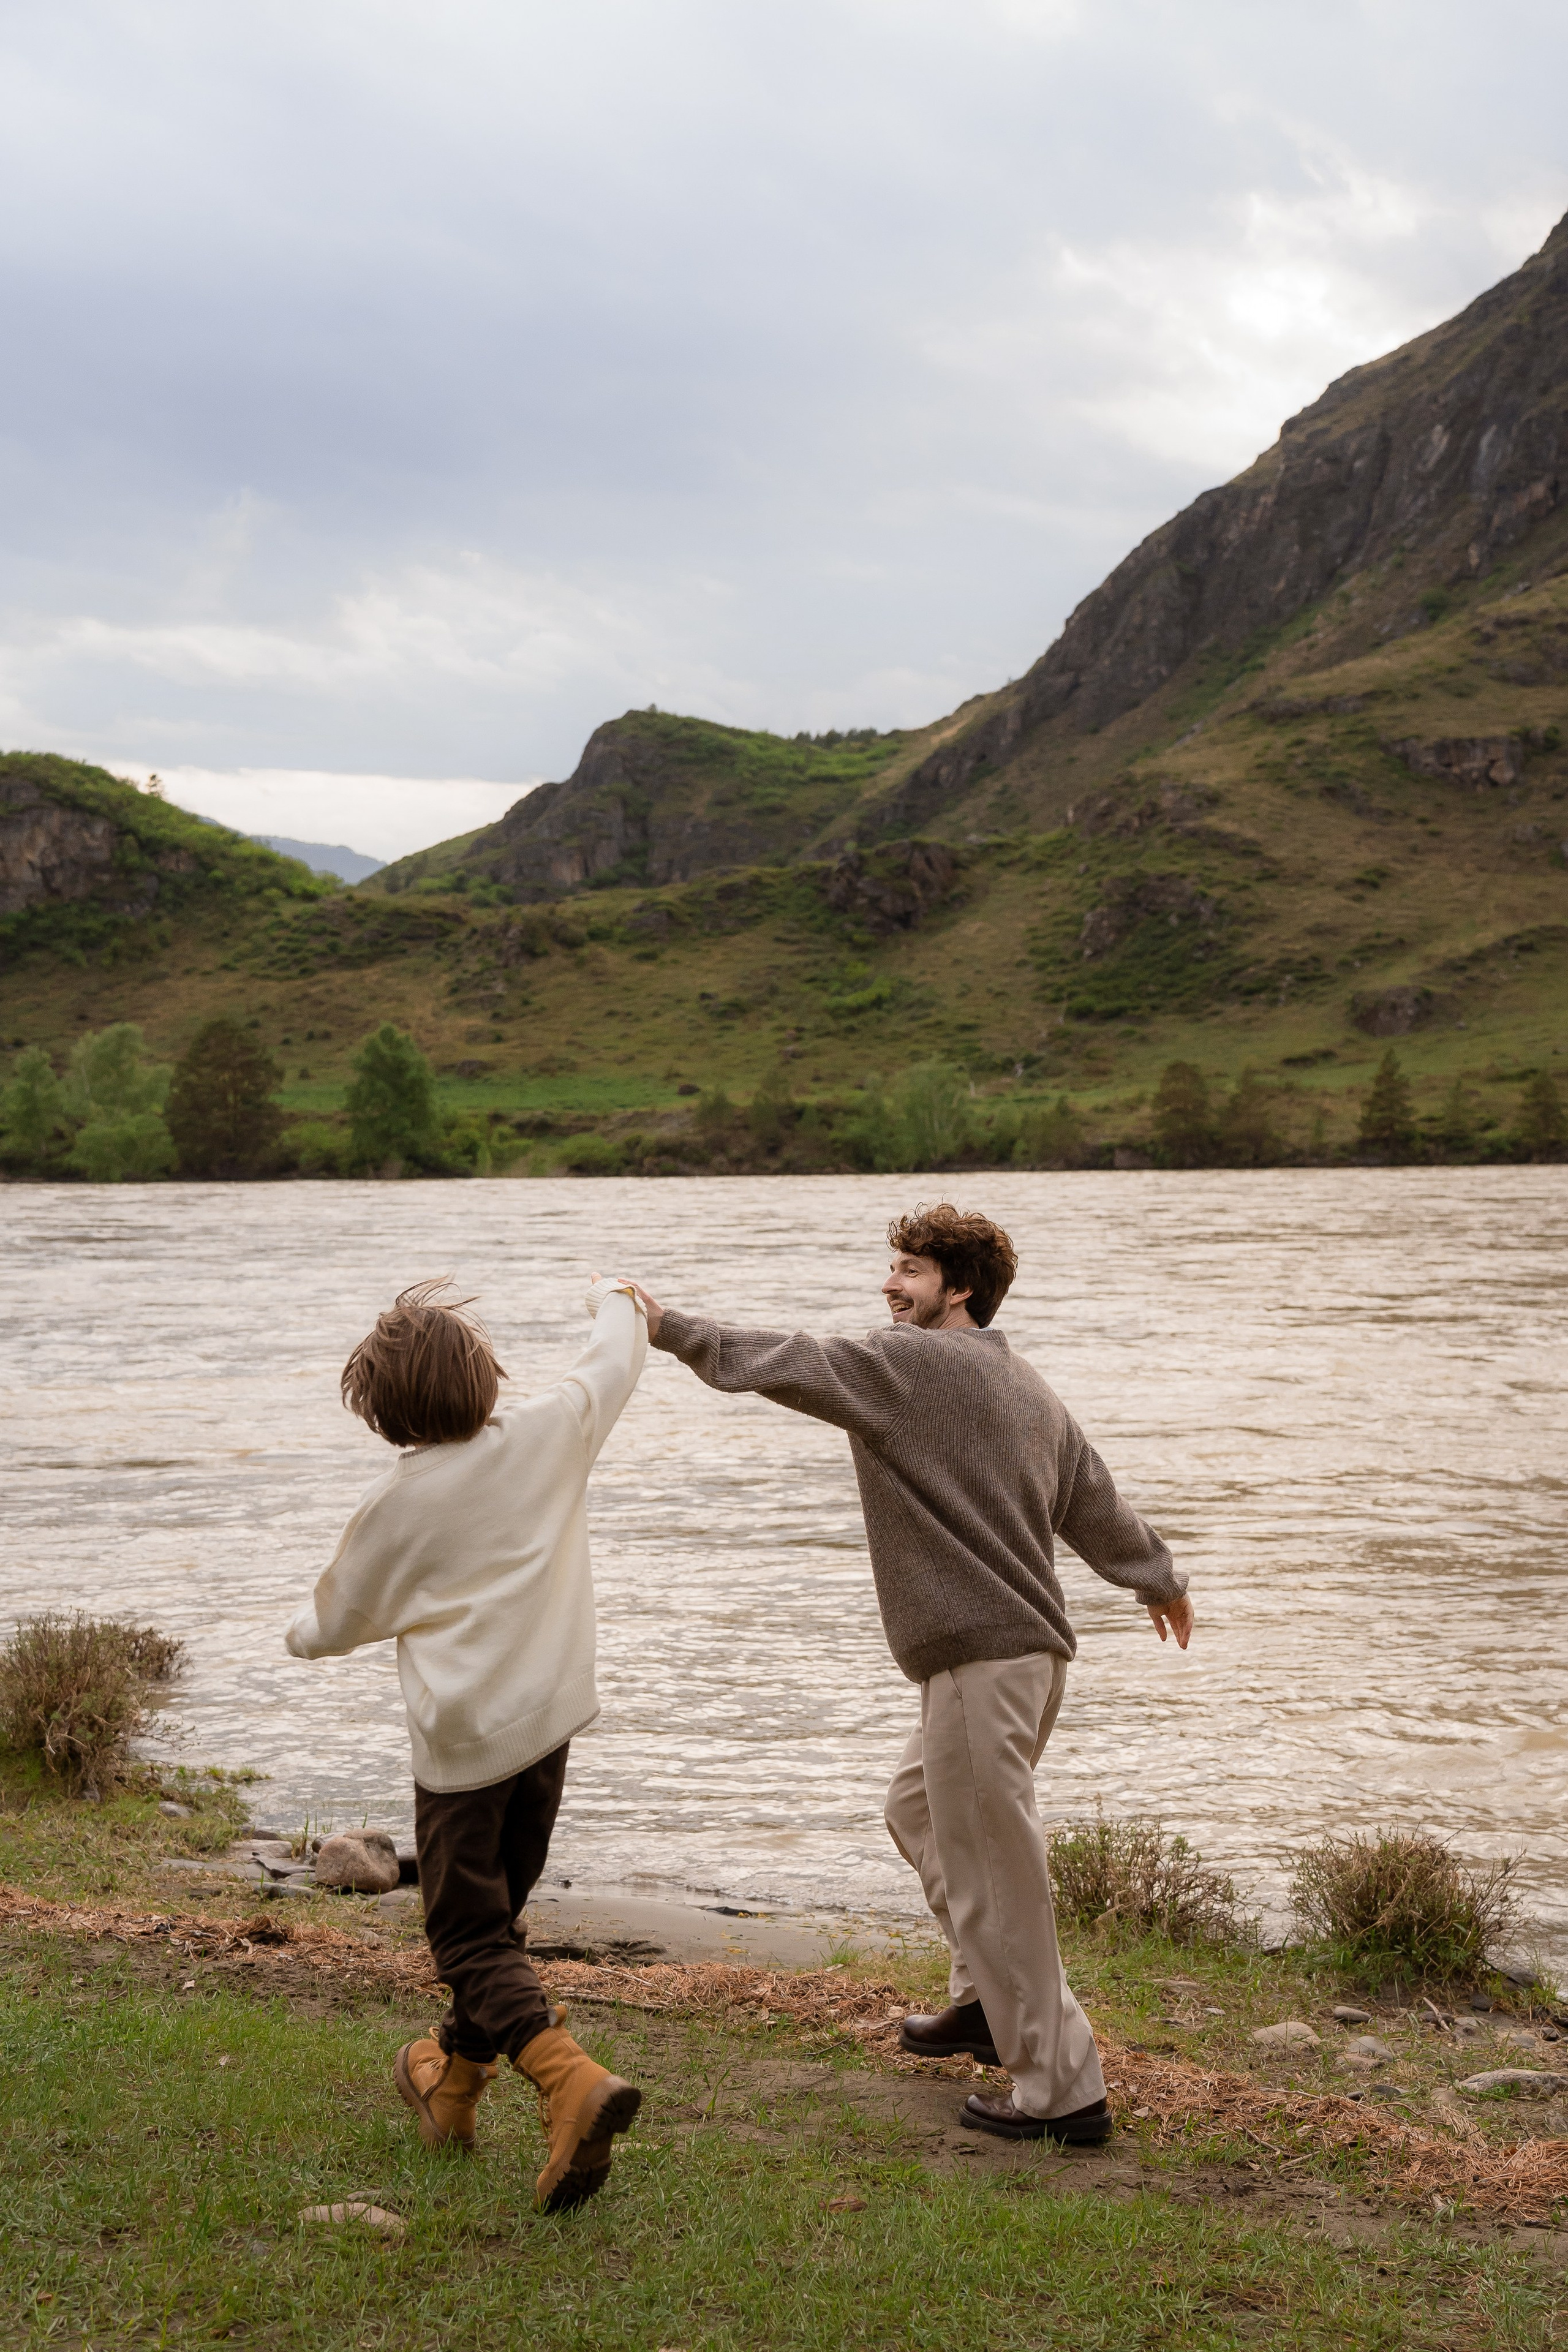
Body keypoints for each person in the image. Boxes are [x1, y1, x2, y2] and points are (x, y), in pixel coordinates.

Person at [631, 1203, 1192, 2146]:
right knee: (920, 1812)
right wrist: (1159, 1576)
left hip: (984, 1658)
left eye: (910, 1270)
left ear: (959, 1288)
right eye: (892, 1268)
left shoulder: (909, 1367)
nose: (890, 1285)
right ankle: (984, 2002)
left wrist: (664, 1327)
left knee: (995, 1880)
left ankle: (1062, 2092)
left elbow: (788, 1359)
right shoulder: (1031, 1387)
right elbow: (1097, 1503)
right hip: (1016, 1658)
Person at [284, 1273, 647, 2212]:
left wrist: (299, 1629)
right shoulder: (548, 1434)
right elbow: (613, 1362)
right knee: (500, 1922)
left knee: (465, 1933)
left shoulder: (396, 1505)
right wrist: (617, 1297)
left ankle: (568, 2080)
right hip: (551, 1729)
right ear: (486, 1376)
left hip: (462, 1755)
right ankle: (449, 2091)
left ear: (382, 1417)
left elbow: (328, 1626)